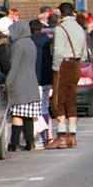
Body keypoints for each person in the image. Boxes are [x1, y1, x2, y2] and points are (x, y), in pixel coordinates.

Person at [46, 2, 87, 150]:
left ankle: (62, 136)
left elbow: (57, 51)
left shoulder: (60, 28)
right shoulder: (79, 28)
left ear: (61, 13)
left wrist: (55, 68)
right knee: (71, 99)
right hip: (76, 64)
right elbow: (84, 51)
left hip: (63, 64)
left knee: (59, 100)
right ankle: (73, 136)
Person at [6, 21, 41, 151]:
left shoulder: (18, 45)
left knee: (17, 115)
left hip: (19, 84)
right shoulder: (31, 43)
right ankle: (29, 142)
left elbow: (14, 67)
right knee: (28, 116)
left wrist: (7, 83)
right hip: (31, 83)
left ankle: (13, 143)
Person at [30, 19, 54, 147]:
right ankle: (49, 135)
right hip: (47, 79)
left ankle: (39, 136)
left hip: (34, 79)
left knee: (36, 109)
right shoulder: (48, 41)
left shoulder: (29, 42)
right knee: (45, 107)